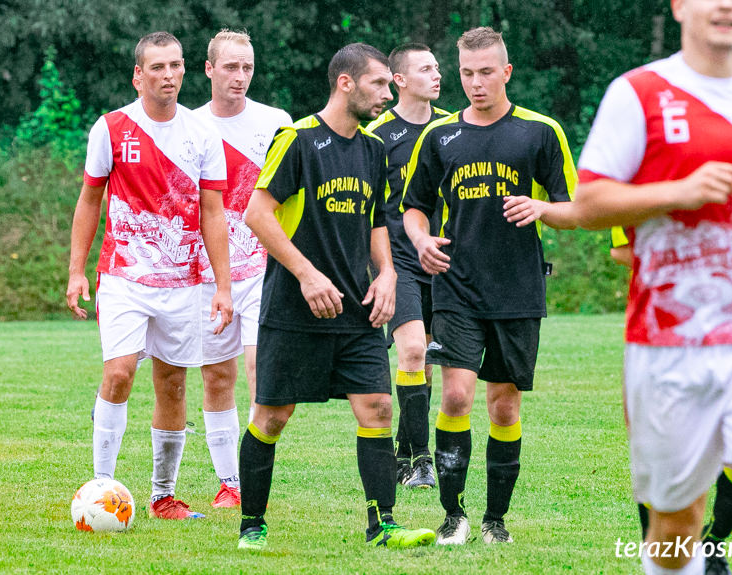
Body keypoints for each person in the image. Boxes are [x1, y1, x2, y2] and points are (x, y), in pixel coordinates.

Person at [573, 0, 732, 572]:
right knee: (676, 527)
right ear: (678, 6)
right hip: (667, 343)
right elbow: (591, 203)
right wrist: (679, 192)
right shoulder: (639, 92)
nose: (726, 5)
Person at [236, 42, 435, 551]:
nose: (388, 93)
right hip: (294, 309)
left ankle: (382, 525)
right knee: (272, 418)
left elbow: (376, 222)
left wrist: (387, 275)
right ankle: (252, 524)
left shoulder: (373, 148)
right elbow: (257, 214)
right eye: (378, 83)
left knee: (377, 408)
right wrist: (306, 275)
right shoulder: (297, 139)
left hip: (357, 310)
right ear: (345, 83)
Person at [402, 26, 577, 545]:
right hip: (457, 287)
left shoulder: (540, 131)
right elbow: (414, 206)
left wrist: (543, 207)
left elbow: (575, 208)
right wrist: (421, 241)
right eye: (466, 74)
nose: (475, 84)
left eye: (485, 73)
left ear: (506, 72)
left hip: (518, 290)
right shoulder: (440, 137)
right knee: (455, 395)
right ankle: (453, 516)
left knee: (503, 403)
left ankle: (494, 520)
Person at [66, 31, 233, 521]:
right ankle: (100, 487)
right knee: (119, 372)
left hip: (183, 283)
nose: (169, 75)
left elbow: (213, 214)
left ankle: (163, 496)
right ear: (138, 75)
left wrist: (222, 287)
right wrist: (77, 271)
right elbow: (90, 199)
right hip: (123, 278)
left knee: (172, 385)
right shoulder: (112, 128)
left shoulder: (203, 136)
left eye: (176, 65)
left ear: (185, 70)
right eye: (157, 67)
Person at [193, 29, 293, 509]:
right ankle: (229, 482)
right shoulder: (188, 126)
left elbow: (289, 198)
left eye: (247, 67)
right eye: (230, 67)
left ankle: (253, 479)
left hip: (264, 269)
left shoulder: (276, 122)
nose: (240, 77)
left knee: (260, 369)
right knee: (217, 376)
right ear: (209, 69)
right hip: (212, 273)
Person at [611, 227, 732, 575]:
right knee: (661, 456)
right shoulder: (641, 178)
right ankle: (657, 549)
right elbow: (620, 249)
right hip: (663, 330)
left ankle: (712, 545)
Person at [365, 43, 449, 490]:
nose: (436, 75)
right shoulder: (377, 135)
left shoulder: (454, 129)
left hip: (443, 260)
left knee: (427, 361)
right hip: (398, 262)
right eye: (425, 69)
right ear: (399, 80)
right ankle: (420, 459)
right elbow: (367, 208)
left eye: (436, 67)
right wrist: (377, 268)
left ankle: (402, 451)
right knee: (413, 350)